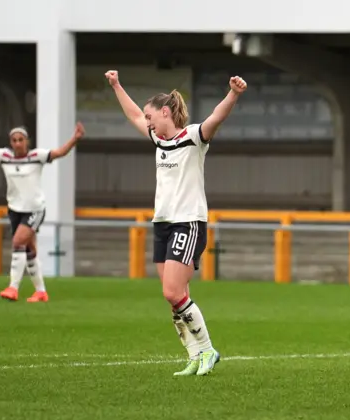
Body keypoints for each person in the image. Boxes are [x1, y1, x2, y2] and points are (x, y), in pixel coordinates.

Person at [105, 69, 247, 376]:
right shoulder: (158, 140)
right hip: (163, 224)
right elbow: (131, 114)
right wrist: (117, 85)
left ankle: (208, 350)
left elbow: (216, 118)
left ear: (165, 112)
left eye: (150, 115)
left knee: (172, 292)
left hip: (188, 222)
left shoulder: (193, 137)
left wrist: (233, 95)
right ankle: (195, 356)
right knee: (174, 298)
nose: (146, 121)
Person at [0, 121, 85, 302]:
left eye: (21, 139)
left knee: (18, 241)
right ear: (10, 143)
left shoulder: (37, 156)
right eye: (14, 140)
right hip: (15, 210)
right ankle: (41, 292)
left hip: (34, 209)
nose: (18, 143)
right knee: (29, 250)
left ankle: (13, 287)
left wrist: (74, 139)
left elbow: (59, 153)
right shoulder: (4, 156)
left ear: (27, 141)